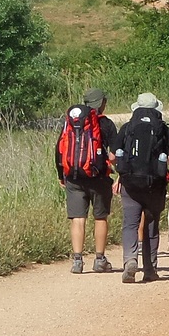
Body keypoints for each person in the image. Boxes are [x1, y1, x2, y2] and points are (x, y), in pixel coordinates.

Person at [115, 92, 169, 283]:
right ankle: (150, 269)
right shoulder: (164, 130)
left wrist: (121, 173)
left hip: (130, 183)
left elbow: (113, 157)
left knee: (130, 223)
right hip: (155, 184)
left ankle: (130, 260)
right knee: (151, 225)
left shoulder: (127, 127)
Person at [55, 88, 118, 274]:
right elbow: (114, 154)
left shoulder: (71, 123)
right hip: (98, 177)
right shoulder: (105, 124)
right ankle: (99, 259)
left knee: (77, 218)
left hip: (73, 176)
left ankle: (77, 260)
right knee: (100, 217)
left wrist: (61, 174)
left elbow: (59, 150)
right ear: (101, 104)